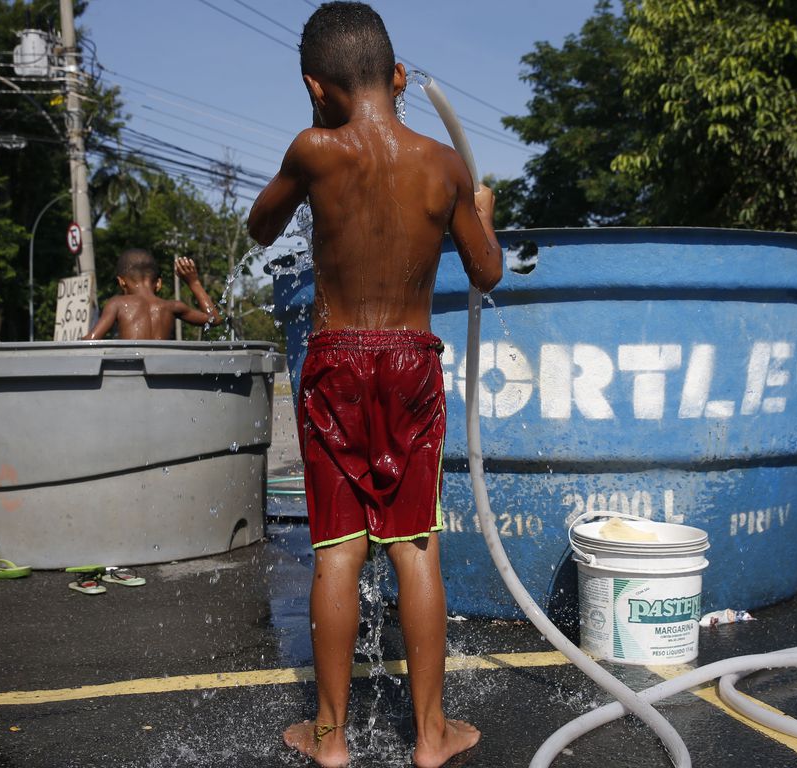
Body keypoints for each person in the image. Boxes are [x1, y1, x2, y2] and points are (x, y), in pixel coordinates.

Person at [247, 3, 502, 766]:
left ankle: (329, 739)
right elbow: (487, 272)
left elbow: (261, 229)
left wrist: (313, 136)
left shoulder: (313, 148)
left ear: (313, 86)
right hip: (410, 363)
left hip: (334, 361)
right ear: (398, 76)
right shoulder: (443, 165)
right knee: (416, 547)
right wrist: (480, 213)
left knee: (335, 551)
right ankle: (430, 735)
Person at [82, 250, 221, 340]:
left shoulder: (117, 304)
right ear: (159, 283)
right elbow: (214, 319)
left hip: (131, 378)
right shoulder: (172, 307)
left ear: (121, 282)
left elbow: (90, 341)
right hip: (163, 377)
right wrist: (194, 282)